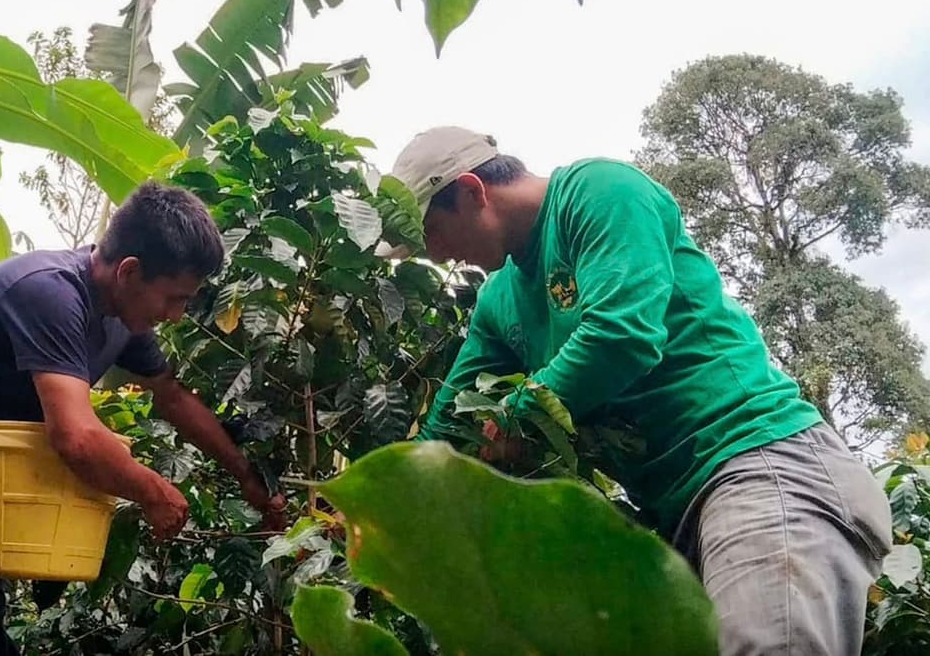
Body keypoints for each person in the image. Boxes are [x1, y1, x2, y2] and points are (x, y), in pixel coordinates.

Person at [377, 126, 893, 655]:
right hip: (678, 516)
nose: (436, 256)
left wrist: (516, 414)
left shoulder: (598, 191)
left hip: (759, 465)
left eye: (432, 233)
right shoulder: (499, 300)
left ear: (471, 191)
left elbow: (621, 336)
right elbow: (449, 424)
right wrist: (383, 504)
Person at [0, 181, 287, 656]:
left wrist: (247, 477)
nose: (176, 315)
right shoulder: (49, 291)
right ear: (130, 272)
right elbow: (75, 438)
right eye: (173, 298)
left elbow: (171, 398)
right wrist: (154, 492)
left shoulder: (118, 315)